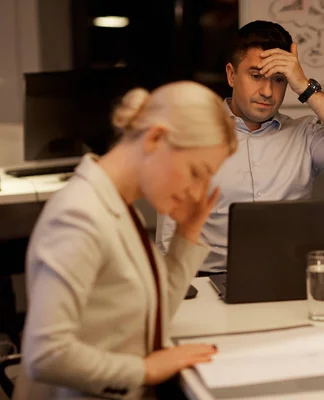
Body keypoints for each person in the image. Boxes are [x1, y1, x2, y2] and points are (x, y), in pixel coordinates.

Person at [13, 81, 237, 399]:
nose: (198, 192)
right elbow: (45, 354)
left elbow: (154, 314)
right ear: (156, 138)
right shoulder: (80, 215)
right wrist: (145, 371)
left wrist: (188, 231)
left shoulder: (121, 206)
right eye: (195, 172)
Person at [156, 20, 324, 272]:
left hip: (288, 273)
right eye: (256, 76)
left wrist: (305, 87)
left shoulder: (304, 134)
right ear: (232, 75)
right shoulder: (191, 136)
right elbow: (169, 237)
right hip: (212, 278)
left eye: (279, 79)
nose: (267, 91)